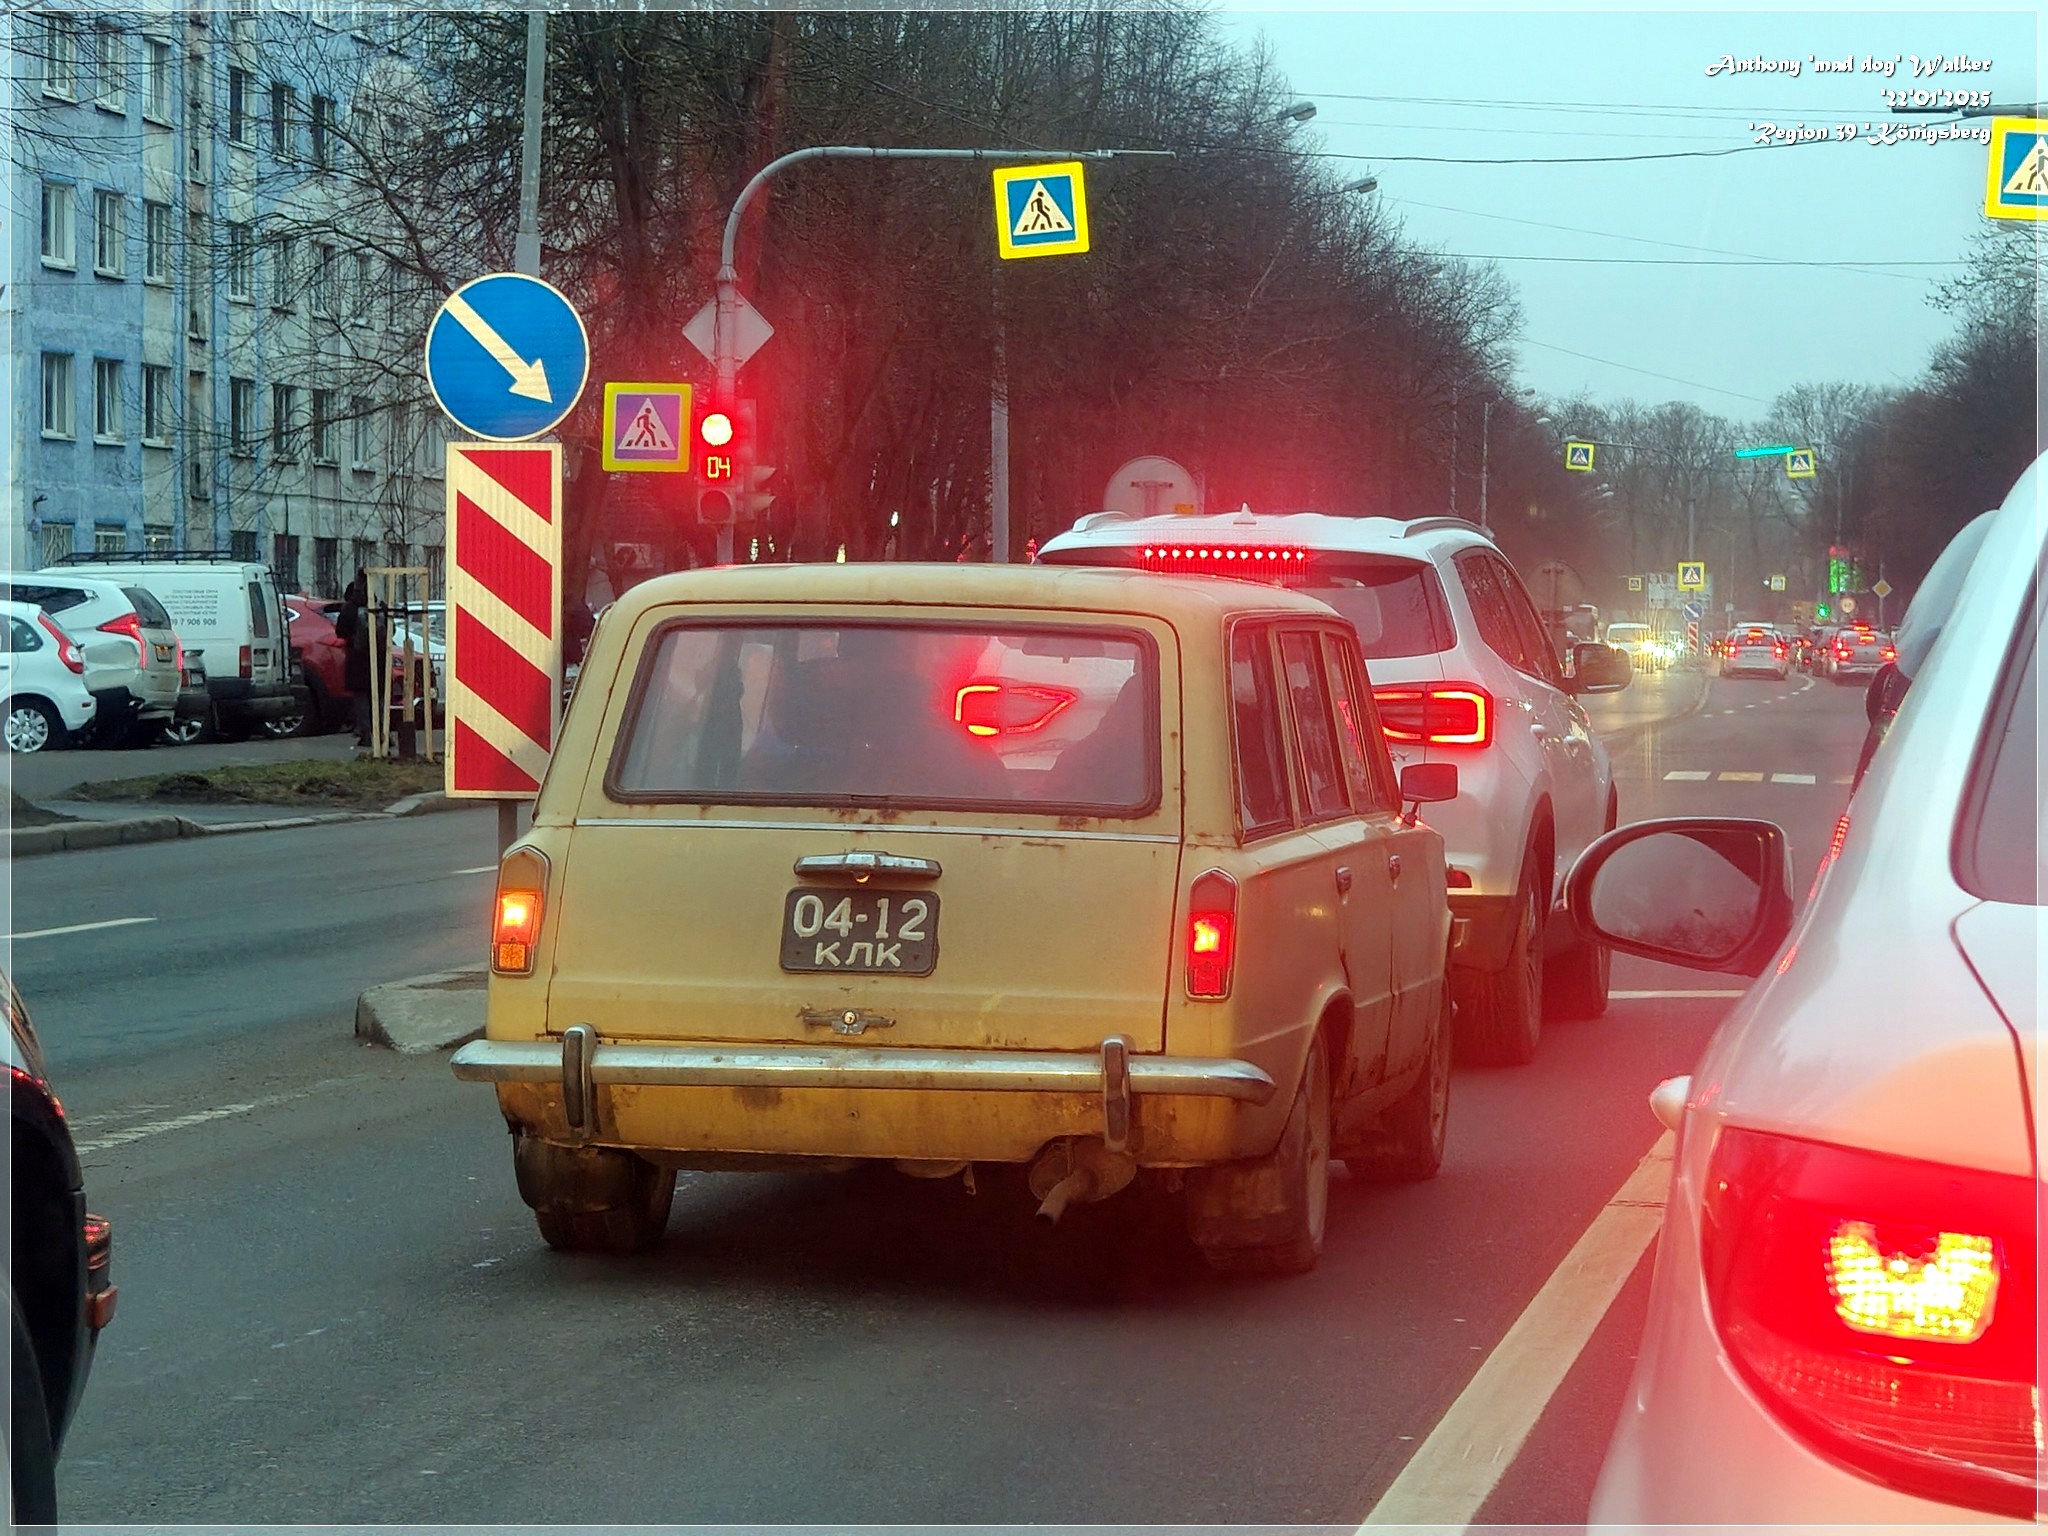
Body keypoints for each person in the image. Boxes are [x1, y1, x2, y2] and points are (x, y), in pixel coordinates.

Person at [333, 571, 382, 749]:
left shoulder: (351, 608)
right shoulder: (377, 606)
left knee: (361, 697)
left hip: (357, 657)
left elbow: (340, 631)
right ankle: (382, 734)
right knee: (378, 697)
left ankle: (366, 733)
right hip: (380, 658)